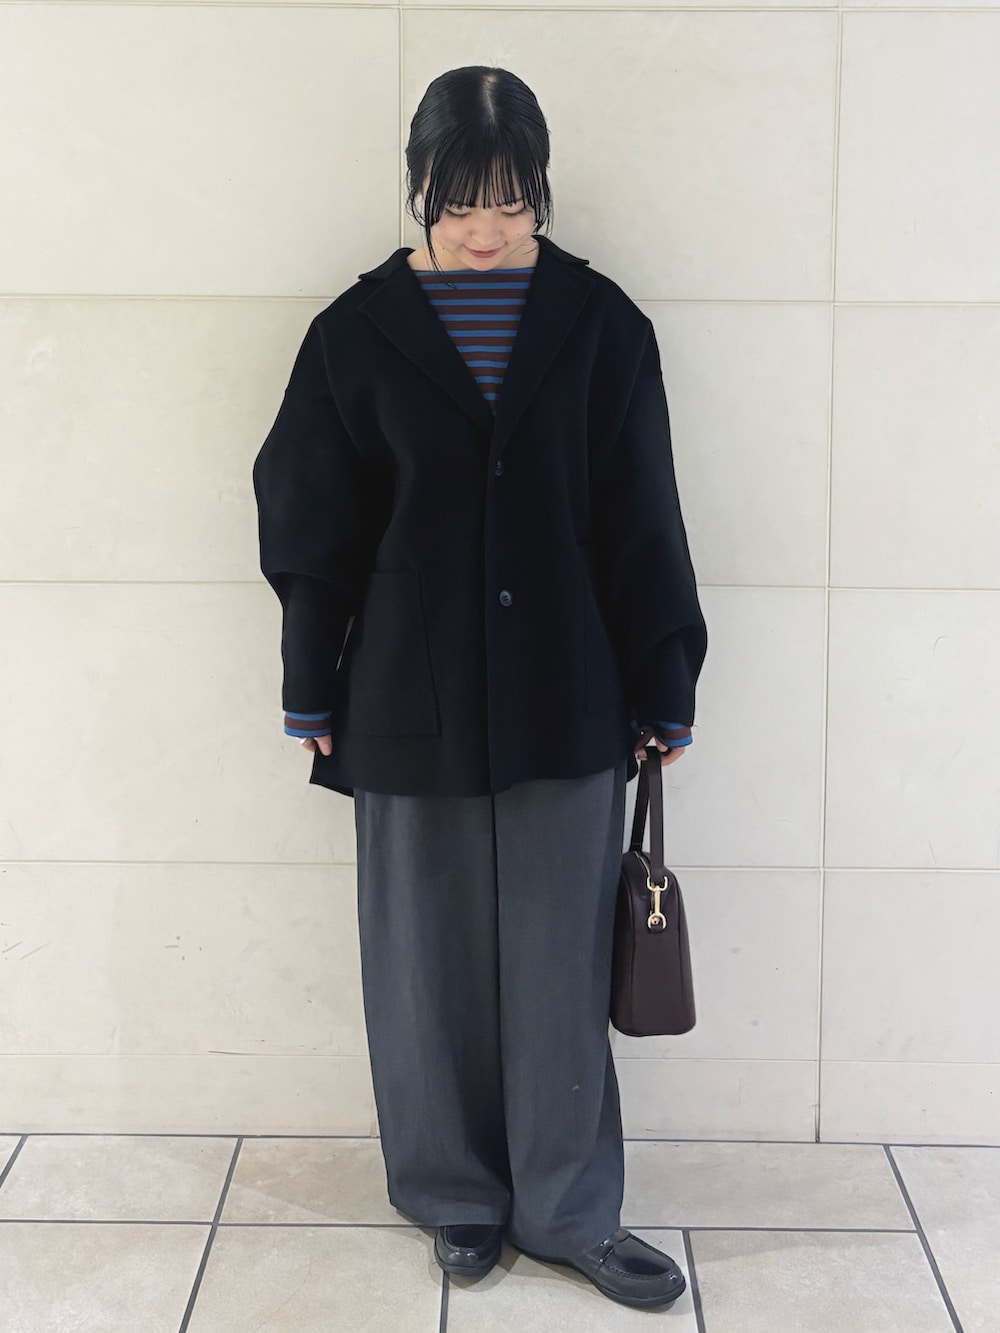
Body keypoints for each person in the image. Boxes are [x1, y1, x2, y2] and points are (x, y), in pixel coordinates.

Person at [252, 65, 707, 1312]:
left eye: (510, 200)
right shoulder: (354, 335)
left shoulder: (602, 327)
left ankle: (568, 1210)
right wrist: (309, 682)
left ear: (540, 192)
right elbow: (308, 521)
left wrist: (663, 680)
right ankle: (453, 1195)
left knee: (560, 967)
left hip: (570, 688)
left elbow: (643, 517)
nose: (487, 229)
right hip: (408, 691)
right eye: (459, 203)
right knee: (423, 963)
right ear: (419, 188)